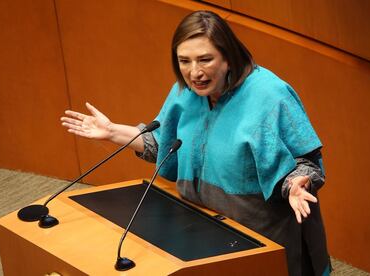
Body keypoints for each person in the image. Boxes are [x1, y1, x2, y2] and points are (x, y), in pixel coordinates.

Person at [61, 10, 330, 276]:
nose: (194, 72)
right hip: (199, 229)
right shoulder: (184, 92)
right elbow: (162, 145)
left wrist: (296, 184)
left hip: (258, 240)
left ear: (228, 57)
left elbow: (304, 163)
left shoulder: (270, 95)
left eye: (205, 59)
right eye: (184, 61)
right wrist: (112, 131)